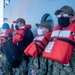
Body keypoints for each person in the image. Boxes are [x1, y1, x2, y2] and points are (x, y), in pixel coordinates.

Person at [43, 5, 75, 75]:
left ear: (73, 17)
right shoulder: (56, 32)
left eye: (65, 15)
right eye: (59, 16)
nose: (61, 18)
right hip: (55, 70)